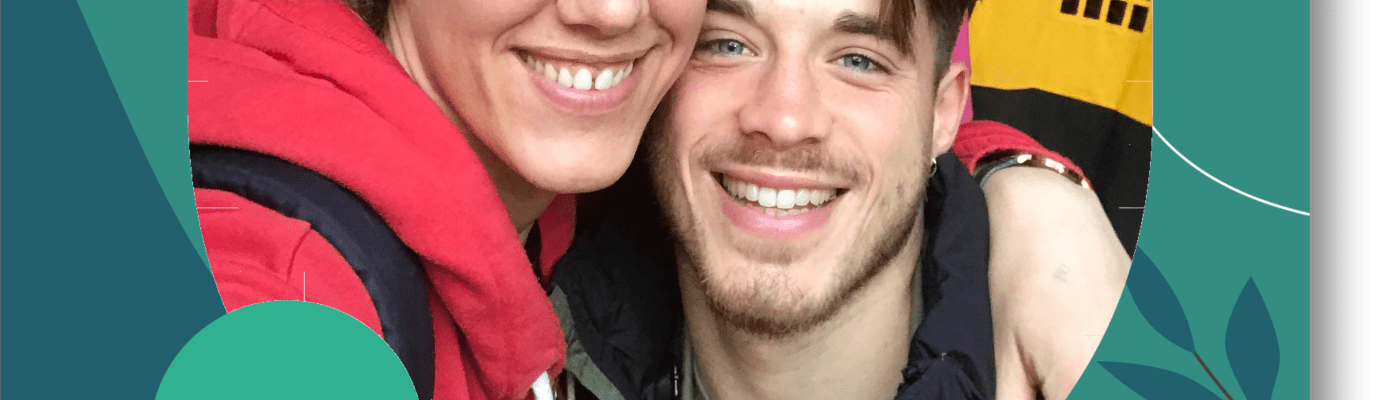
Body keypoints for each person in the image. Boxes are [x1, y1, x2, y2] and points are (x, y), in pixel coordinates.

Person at [188, 0, 1118, 399]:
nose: (608, 13)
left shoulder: (568, 193)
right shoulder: (287, 286)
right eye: (727, 44)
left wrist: (1024, 190)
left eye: (858, 60)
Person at [546, 0, 1129, 399]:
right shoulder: (527, 350)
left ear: (943, 112)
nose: (784, 119)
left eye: (858, 61)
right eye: (727, 45)